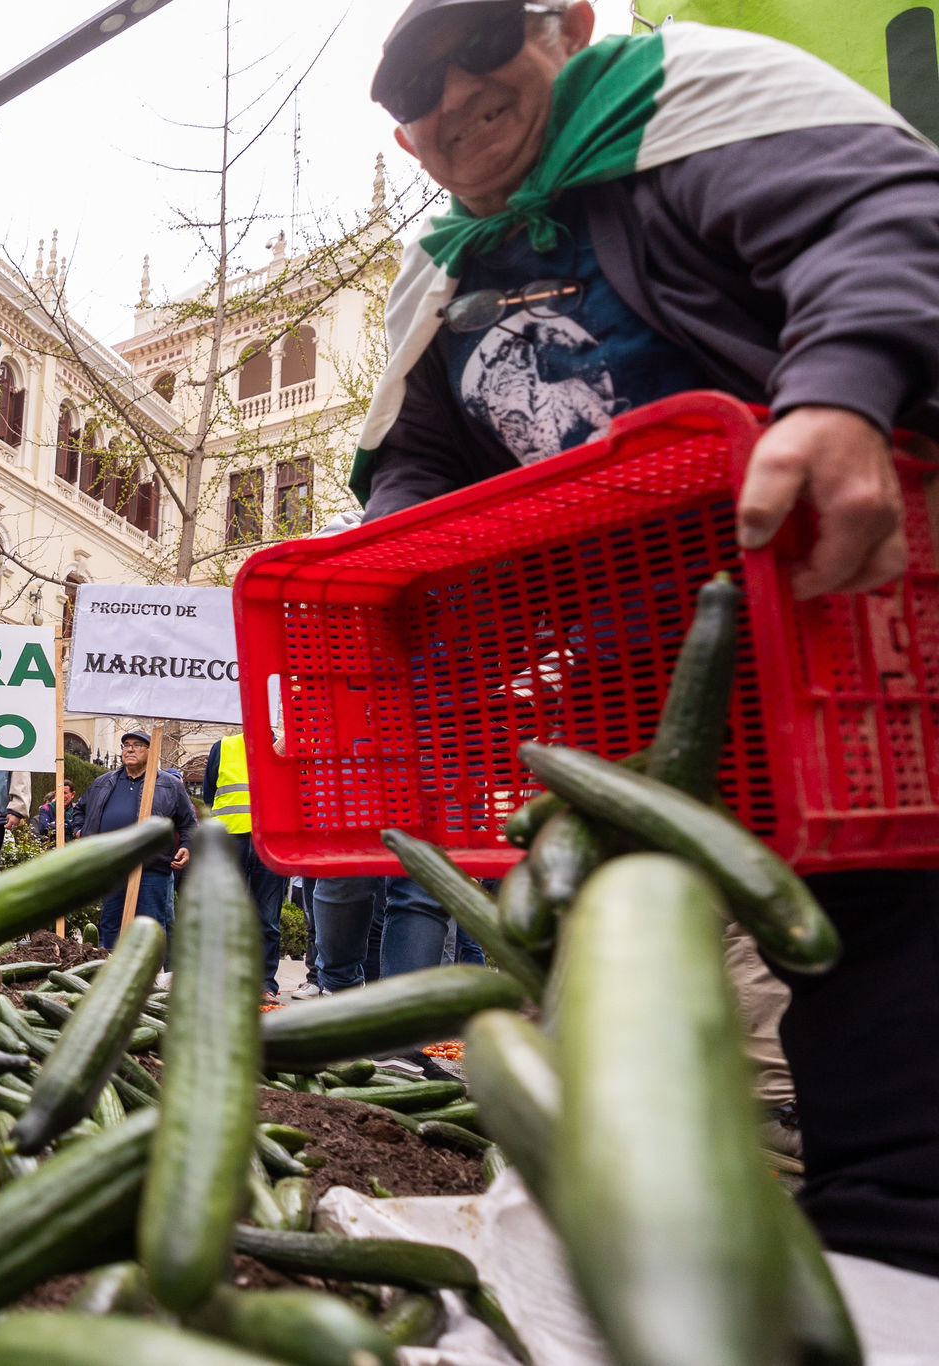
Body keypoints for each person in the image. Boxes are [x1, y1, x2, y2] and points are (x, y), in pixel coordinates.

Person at [363, 0, 939, 1273]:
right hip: (637, 684)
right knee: (615, 962)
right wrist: (398, 559)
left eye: (478, 47)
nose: (454, 94)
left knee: (874, 943)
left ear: (562, 23)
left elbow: (878, 219)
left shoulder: (694, 101)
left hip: (855, 618)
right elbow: (413, 459)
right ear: (405, 142)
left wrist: (839, 388)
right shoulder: (441, 270)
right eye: (417, 89)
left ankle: (888, 1253)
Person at [77, 731, 196, 950]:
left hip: (152, 868)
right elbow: (80, 811)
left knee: (149, 927)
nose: (130, 749)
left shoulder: (170, 785)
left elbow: (188, 823)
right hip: (114, 866)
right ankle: (109, 972)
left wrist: (187, 847)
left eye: (138, 745)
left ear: (152, 752)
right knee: (111, 924)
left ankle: (147, 979)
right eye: (126, 745)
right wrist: (80, 831)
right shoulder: (103, 783)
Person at [202, 733, 288, 1004]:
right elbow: (209, 794)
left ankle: (264, 985)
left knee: (266, 917)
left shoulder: (288, 746)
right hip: (232, 841)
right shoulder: (224, 747)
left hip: (271, 841)